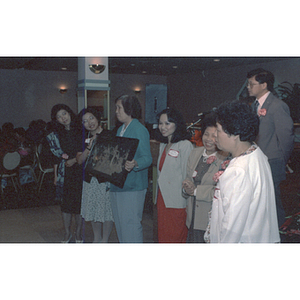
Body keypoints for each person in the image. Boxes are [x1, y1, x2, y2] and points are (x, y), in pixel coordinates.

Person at [204, 100, 280, 243]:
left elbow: (232, 226)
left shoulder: (238, 170)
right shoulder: (257, 154)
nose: (215, 137)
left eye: (218, 131)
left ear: (235, 134)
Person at [247, 68, 294, 227]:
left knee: (272, 202)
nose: (248, 87)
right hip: (257, 160)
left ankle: (280, 234)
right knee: (261, 202)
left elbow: (286, 137)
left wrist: (281, 159)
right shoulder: (254, 106)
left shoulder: (276, 105)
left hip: (272, 161)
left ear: (264, 85)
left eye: (251, 84)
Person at [110, 95, 152, 243]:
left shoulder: (139, 129)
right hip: (118, 184)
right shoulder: (120, 129)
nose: (116, 111)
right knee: (120, 225)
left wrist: (135, 163)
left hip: (133, 186)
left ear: (129, 109)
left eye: (119, 108)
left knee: (131, 225)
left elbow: (147, 158)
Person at [182, 113, 228, 243]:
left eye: (214, 136)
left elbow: (221, 191)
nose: (209, 139)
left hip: (210, 217)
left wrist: (196, 191)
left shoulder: (224, 159)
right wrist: (186, 187)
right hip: (192, 216)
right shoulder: (195, 152)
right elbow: (188, 178)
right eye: (206, 134)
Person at [154, 108, 193, 243]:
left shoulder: (185, 145)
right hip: (162, 199)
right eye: (160, 123)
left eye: (167, 123)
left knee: (175, 238)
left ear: (177, 124)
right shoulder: (163, 144)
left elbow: (187, 176)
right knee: (163, 237)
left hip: (177, 202)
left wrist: (187, 205)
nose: (163, 127)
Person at [76, 107, 114, 243]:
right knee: (93, 209)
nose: (89, 122)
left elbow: (113, 159)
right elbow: (79, 160)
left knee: (106, 210)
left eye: (91, 118)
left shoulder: (109, 134)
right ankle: (97, 238)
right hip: (89, 179)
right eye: (85, 121)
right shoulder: (83, 138)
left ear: (97, 118)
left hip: (104, 179)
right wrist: (88, 148)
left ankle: (105, 240)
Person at [47, 104, 83, 243]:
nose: (63, 118)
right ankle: (67, 233)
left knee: (79, 204)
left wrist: (74, 160)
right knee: (66, 205)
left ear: (69, 113)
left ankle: (78, 233)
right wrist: (56, 175)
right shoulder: (57, 134)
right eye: (59, 116)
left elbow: (84, 151)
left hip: (80, 170)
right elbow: (56, 157)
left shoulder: (80, 130)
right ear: (56, 120)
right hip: (64, 173)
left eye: (64, 114)